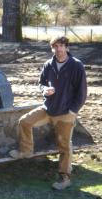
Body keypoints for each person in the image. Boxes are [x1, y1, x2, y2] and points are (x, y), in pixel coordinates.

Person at [9, 36, 87, 190]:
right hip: (48, 108)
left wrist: (73, 111)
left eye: (61, 46)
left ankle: (65, 178)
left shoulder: (76, 66)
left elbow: (82, 93)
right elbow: (41, 83)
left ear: (67, 48)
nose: (58, 49)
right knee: (25, 121)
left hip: (65, 113)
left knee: (64, 146)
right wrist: (44, 90)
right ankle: (26, 151)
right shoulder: (48, 64)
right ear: (52, 48)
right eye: (55, 46)